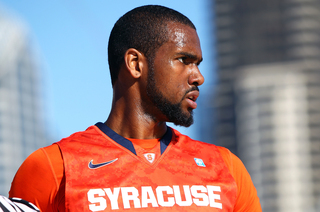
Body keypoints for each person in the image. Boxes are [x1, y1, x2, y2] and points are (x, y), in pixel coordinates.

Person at [9, 5, 262, 212]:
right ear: (135, 63)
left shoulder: (226, 167)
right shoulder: (53, 167)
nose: (198, 77)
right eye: (184, 60)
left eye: (197, 64)